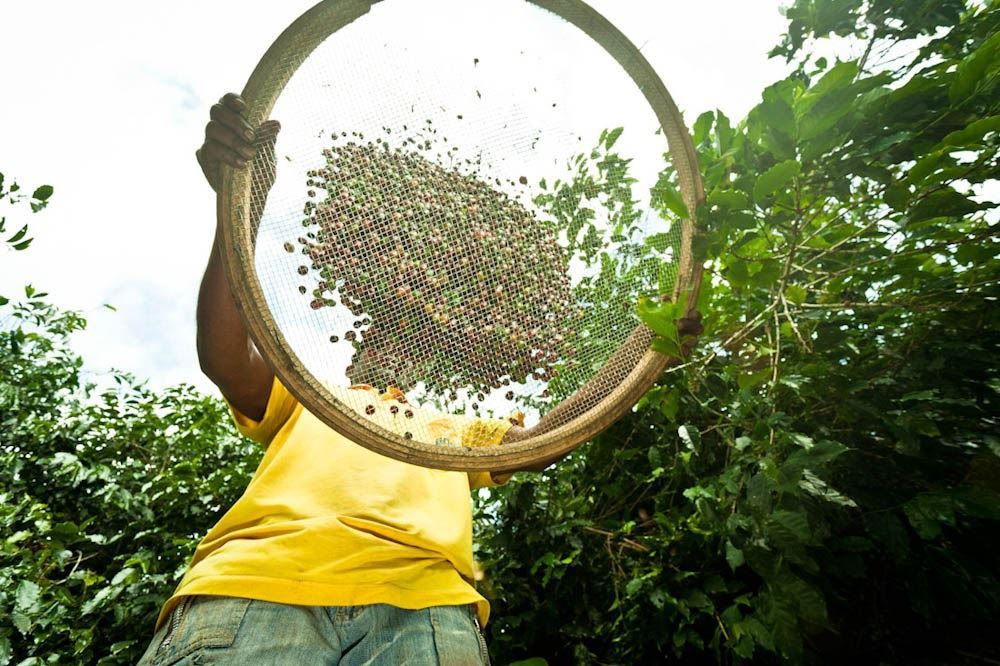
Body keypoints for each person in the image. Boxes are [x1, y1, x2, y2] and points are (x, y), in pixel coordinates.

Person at [138, 93, 701, 665]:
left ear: (429, 361)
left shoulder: (451, 433)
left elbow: (539, 444)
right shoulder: (310, 396)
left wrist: (643, 345)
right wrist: (242, 202)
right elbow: (225, 355)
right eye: (383, 337)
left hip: (425, 608)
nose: (396, 349)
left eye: (411, 344)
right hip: (259, 586)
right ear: (355, 347)